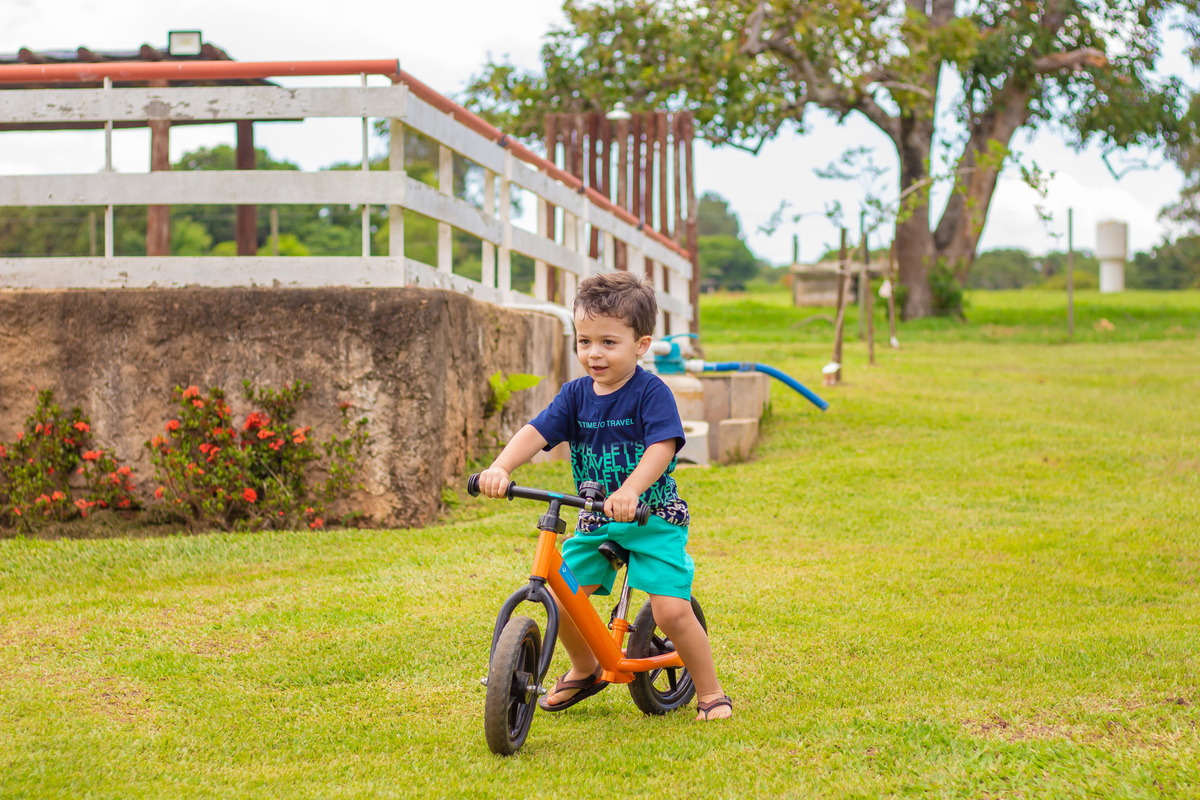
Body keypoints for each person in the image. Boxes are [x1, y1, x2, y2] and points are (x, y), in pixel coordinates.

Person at [476, 271, 732, 722]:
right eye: (584, 341)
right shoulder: (575, 396)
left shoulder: (650, 392)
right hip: (595, 517)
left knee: (671, 612)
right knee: (563, 599)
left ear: (641, 344)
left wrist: (632, 489)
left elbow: (662, 446)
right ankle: (586, 667)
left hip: (651, 517)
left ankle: (710, 693)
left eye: (609, 342)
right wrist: (501, 467)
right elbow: (536, 431)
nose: (594, 353)